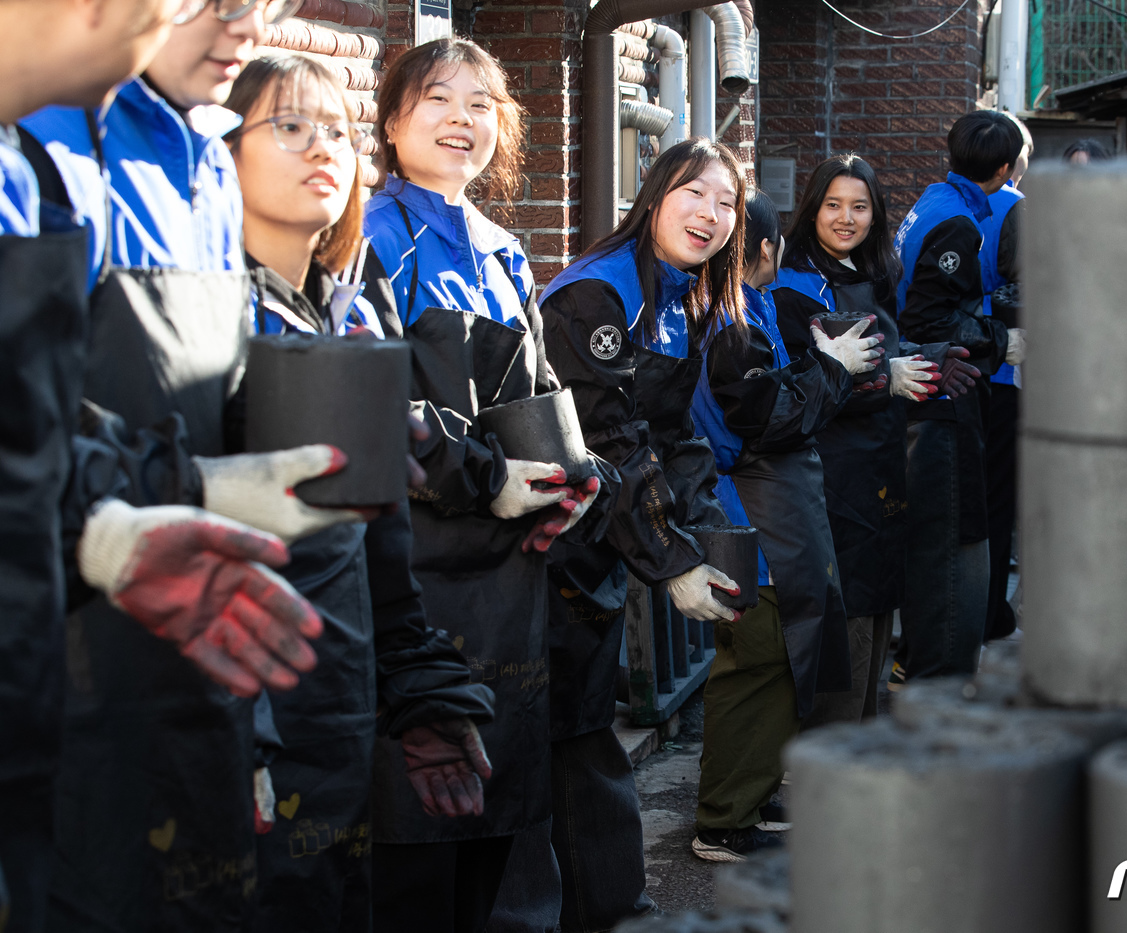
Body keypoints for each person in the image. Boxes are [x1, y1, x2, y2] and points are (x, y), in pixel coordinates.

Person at [20, 2, 401, 929]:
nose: (244, 21)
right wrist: (134, 515)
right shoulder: (36, 142)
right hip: (58, 660)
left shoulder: (203, 162)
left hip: (201, 652)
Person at [222, 52, 499, 933]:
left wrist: (419, 690)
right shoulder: (203, 306)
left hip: (339, 687)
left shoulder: (353, 304)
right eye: (289, 126)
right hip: (233, 699)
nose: (322, 149)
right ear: (218, 154)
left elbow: (380, 540)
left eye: (335, 130)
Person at [363, 38, 605, 933]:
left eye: (481, 104)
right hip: (418, 567)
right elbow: (379, 408)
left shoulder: (506, 250)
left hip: (512, 577)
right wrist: (487, 478)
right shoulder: (370, 237)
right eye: (438, 100)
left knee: (497, 833)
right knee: (416, 841)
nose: (462, 120)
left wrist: (575, 485)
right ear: (392, 122)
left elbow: (544, 401)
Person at [537, 138, 746, 913]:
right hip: (547, 546)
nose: (711, 214)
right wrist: (673, 560)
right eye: (695, 192)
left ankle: (603, 906)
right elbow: (611, 440)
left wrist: (711, 530)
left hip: (597, 549)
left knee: (581, 731)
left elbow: (676, 432)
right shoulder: (597, 295)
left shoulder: (682, 294)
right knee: (568, 738)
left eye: (726, 201)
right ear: (655, 194)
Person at [687, 188, 891, 861]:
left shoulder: (744, 310)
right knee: (757, 658)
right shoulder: (734, 322)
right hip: (749, 514)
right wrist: (834, 370)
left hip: (765, 511)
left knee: (776, 657)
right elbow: (768, 418)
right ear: (768, 250)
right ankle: (723, 817)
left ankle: (748, 794)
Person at [772, 154, 958, 721]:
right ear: (812, 210)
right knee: (844, 611)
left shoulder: (878, 272)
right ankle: (829, 750)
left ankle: (864, 734)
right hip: (829, 473)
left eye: (859, 206)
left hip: (881, 466)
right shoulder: (795, 285)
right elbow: (799, 390)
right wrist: (887, 381)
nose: (845, 218)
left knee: (879, 603)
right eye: (833, 205)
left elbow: (883, 353)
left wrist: (924, 361)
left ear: (877, 215)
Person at [888, 110, 1026, 688]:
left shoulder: (935, 199)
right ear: (1004, 167)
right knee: (949, 540)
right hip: (937, 400)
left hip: (921, 389)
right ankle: (929, 678)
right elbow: (929, 318)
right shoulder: (959, 226)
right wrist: (1003, 339)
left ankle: (923, 663)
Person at [980, 116, 1032, 644]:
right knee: (995, 504)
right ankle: (990, 612)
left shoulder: (933, 202)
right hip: (999, 371)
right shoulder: (1013, 206)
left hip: (960, 369)